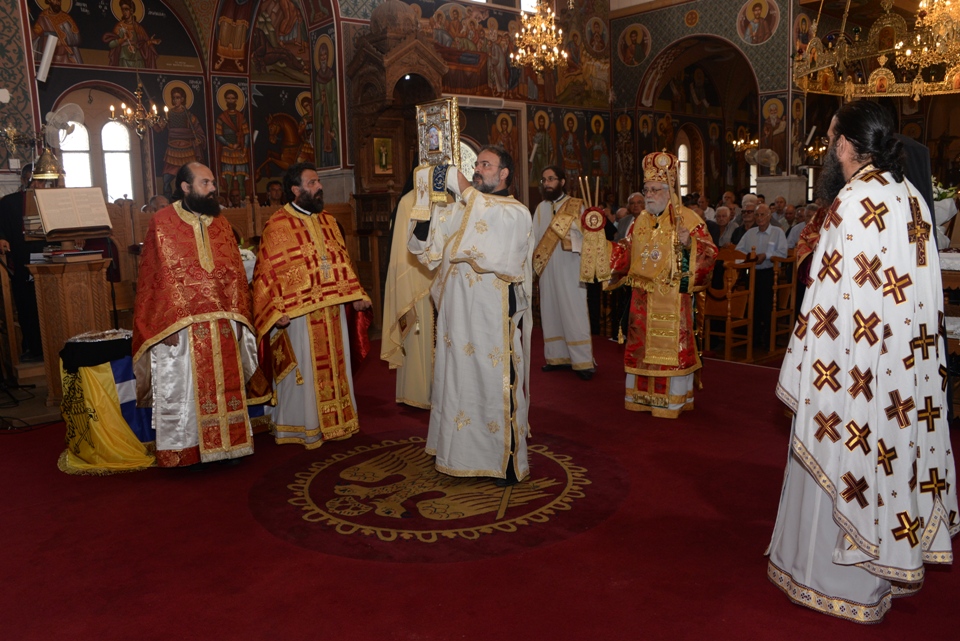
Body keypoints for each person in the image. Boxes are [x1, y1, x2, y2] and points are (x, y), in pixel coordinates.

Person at [767, 100, 958, 623]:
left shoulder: (852, 204)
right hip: (900, 375)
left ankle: (826, 580)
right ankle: (879, 575)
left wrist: (807, 367)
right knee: (888, 461)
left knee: (843, 456)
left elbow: (825, 304)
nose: (831, 149)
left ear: (847, 145)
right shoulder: (911, 200)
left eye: (832, 139)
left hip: (853, 373)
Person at [408, 145, 533, 485]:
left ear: (504, 173)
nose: (478, 169)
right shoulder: (465, 208)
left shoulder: (515, 212)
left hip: (490, 317)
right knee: (457, 380)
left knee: (491, 380)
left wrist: (460, 184)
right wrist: (424, 206)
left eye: (486, 165)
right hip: (455, 318)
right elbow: (427, 250)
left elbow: (492, 224)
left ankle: (502, 461)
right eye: (475, 165)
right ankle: (458, 454)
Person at [132, 162, 261, 467]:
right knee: (186, 389)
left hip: (222, 321)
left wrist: (240, 317)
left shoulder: (221, 223)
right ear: (186, 187)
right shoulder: (162, 222)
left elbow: (235, 275)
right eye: (205, 183)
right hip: (182, 325)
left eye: (212, 183)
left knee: (226, 386)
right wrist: (163, 326)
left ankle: (230, 446)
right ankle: (187, 450)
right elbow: (154, 278)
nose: (213, 189)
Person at [253, 163, 371, 448]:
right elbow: (266, 273)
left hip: (332, 310)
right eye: (312, 183)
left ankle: (338, 421)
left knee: (336, 366)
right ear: (296, 190)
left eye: (319, 181)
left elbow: (342, 260)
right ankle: (302, 426)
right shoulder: (277, 225)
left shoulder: (328, 220)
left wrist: (357, 293)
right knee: (303, 369)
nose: (319, 187)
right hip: (299, 316)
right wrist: (276, 309)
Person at [608, 152, 717, 417]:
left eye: (655, 189)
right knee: (641, 347)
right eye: (646, 189)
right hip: (642, 298)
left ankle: (672, 400)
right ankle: (642, 397)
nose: (649, 194)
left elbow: (710, 253)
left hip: (673, 299)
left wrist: (690, 244)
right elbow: (626, 250)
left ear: (669, 191)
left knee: (671, 347)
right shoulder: (640, 220)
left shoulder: (688, 218)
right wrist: (600, 248)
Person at [533, 166, 593, 380]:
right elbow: (535, 238)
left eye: (551, 179)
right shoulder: (540, 208)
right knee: (550, 311)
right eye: (544, 180)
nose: (547, 183)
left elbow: (588, 236)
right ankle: (557, 357)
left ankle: (582, 361)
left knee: (573, 310)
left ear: (562, 181)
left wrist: (576, 227)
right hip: (548, 267)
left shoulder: (577, 206)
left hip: (570, 265)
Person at [381, 174, 435, 409]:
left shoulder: (452, 200)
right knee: (418, 335)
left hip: (446, 281)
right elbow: (400, 251)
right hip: (416, 281)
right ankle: (417, 392)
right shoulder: (408, 202)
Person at [0, 164, 47, 362]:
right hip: (22, 259)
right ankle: (33, 347)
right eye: (33, 180)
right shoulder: (9, 202)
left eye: (42, 182)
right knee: (27, 305)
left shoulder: (53, 201)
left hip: (49, 259)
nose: (38, 185)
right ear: (24, 180)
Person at [736, 202, 787, 347]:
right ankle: (753, 338)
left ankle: (769, 340)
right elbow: (739, 250)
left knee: (767, 307)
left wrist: (767, 255)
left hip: (770, 274)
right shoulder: (750, 233)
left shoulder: (777, 232)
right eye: (757, 215)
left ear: (769, 216)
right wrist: (751, 256)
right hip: (752, 273)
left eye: (762, 214)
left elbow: (783, 253)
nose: (759, 218)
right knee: (752, 307)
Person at [216, 89, 251, 202]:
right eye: (228, 98)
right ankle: (229, 203)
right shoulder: (222, 118)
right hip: (227, 151)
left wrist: (244, 149)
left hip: (240, 152)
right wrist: (230, 145)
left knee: (241, 180)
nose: (230, 100)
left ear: (236, 100)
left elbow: (246, 134)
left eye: (233, 98)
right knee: (228, 180)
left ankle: (243, 203)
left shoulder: (241, 117)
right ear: (225, 100)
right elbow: (218, 135)